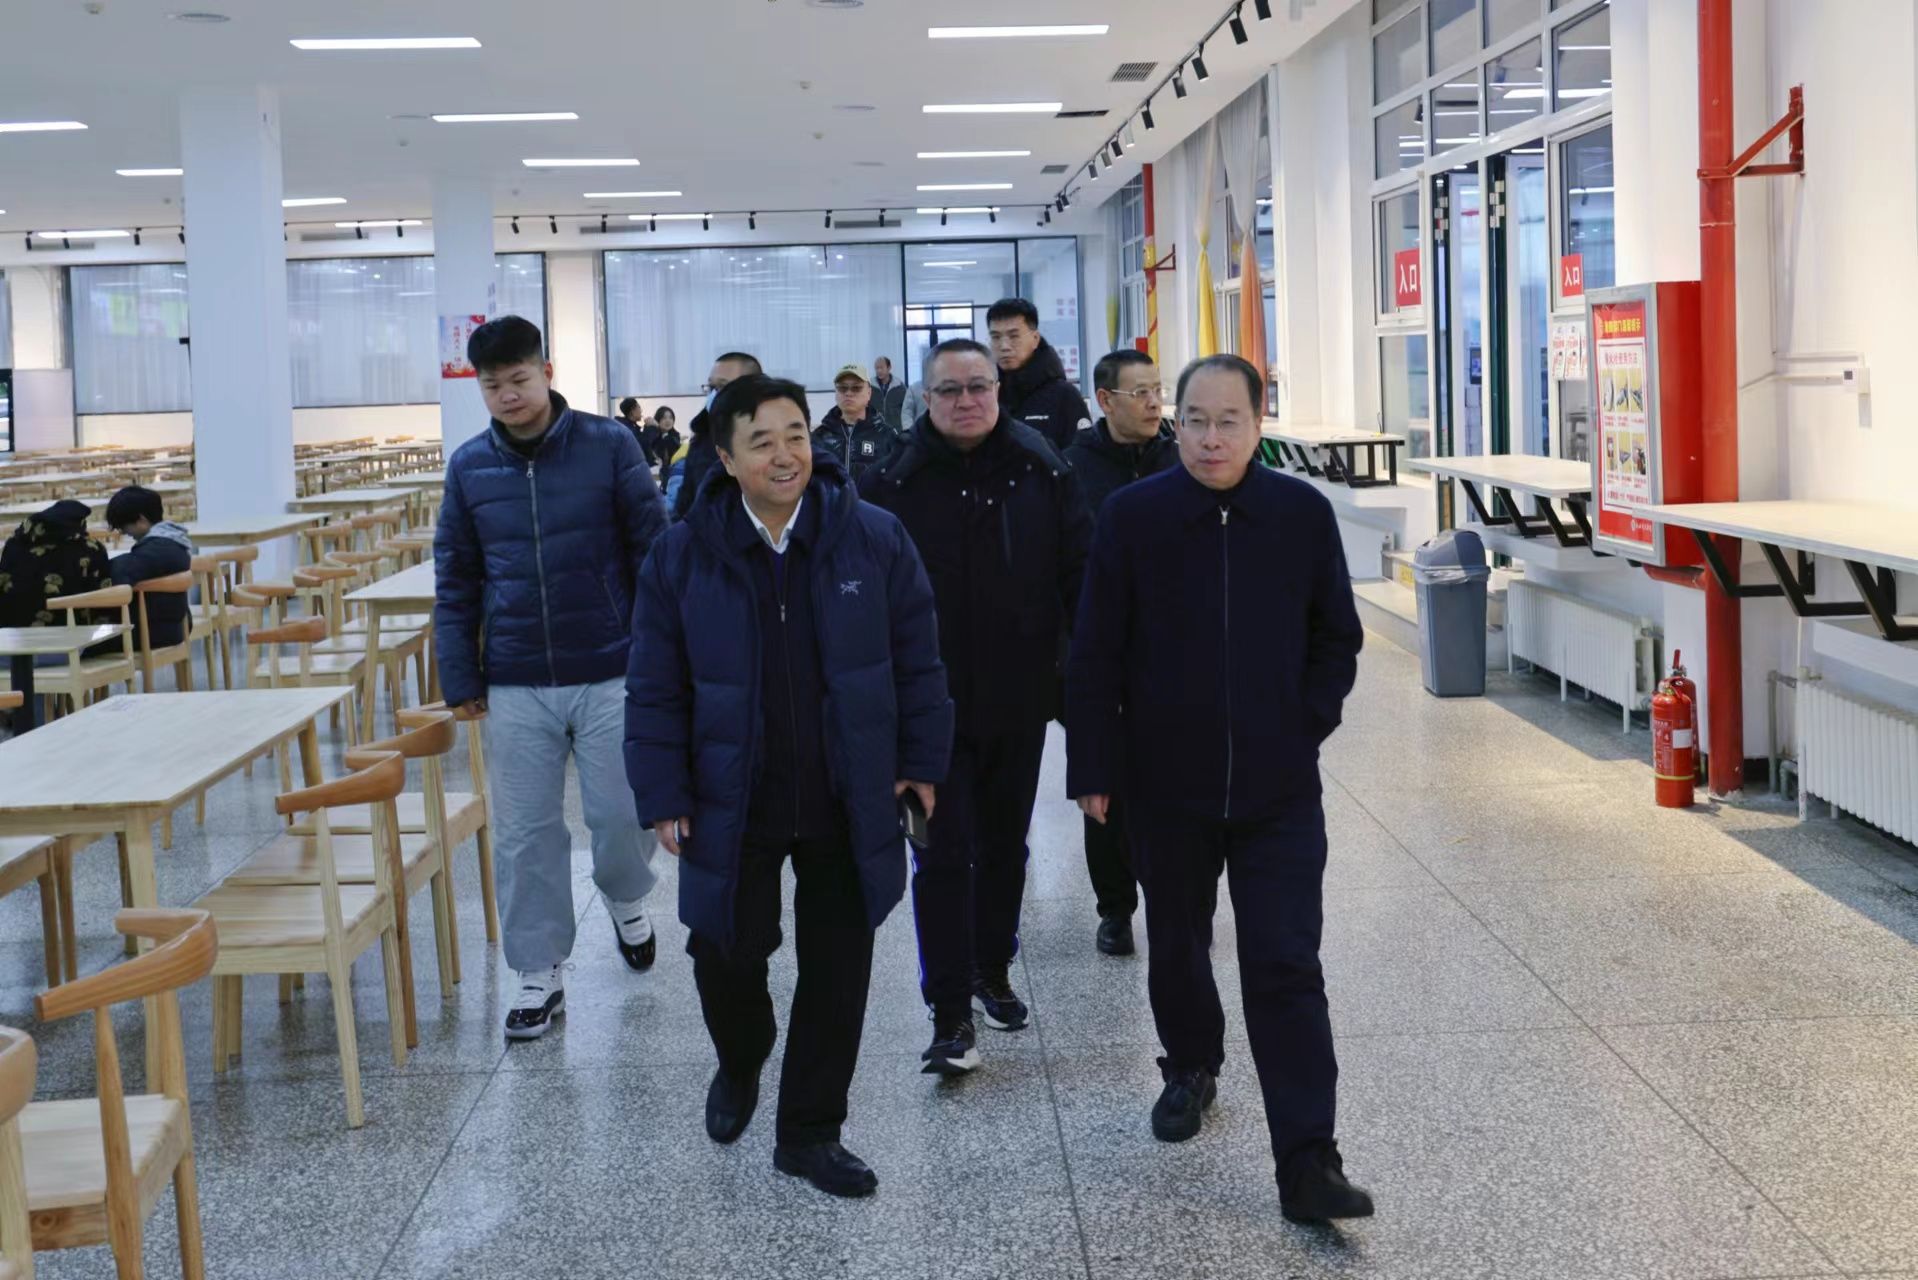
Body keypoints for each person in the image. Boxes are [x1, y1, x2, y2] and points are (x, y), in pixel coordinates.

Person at [626, 374, 952, 1199]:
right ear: (725, 457)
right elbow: (654, 686)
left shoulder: (871, 537)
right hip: (733, 792)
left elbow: (918, 658)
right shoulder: (682, 553)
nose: (785, 455)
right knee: (723, 950)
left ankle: (810, 1131)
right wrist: (664, 791)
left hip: (849, 789)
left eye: (796, 435)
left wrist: (921, 760)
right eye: (762, 441)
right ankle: (742, 1057)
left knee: (839, 966)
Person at [1065, 354, 1371, 1225]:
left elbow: (1337, 637)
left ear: (1258, 423)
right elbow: (1095, 650)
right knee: (1176, 942)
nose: (1209, 438)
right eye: (1194, 420)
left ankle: (1308, 1159)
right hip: (1166, 783)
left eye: (1228, 421)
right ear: (1176, 421)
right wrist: (1095, 766)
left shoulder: (1301, 514)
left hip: (1279, 789)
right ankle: (1191, 1066)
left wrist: (1304, 724)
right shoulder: (1134, 517)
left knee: (1286, 963)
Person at [433, 314, 668, 1042]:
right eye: (492, 385)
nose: (508, 395)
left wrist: (663, 654)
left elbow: (652, 550)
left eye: (519, 379)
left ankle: (626, 896)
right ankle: (538, 971)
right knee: (525, 833)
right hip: (516, 677)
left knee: (622, 812)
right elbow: (456, 575)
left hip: (611, 664)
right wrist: (458, 671)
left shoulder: (609, 444)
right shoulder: (469, 466)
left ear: (548, 371)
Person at [861, 337, 1091, 1076]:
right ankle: (949, 1011)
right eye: (949, 390)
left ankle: (993, 968)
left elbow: (1079, 579)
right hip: (926, 710)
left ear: (999, 391)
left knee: (1003, 846)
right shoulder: (889, 483)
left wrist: (1077, 680)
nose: (966, 401)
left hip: (1019, 699)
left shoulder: (1042, 468)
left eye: (979, 387)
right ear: (924, 400)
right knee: (940, 854)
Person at [1060, 351, 1178, 957]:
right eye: (1140, 393)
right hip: (1100, 655)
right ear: (1105, 401)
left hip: (1173, 656)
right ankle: (1115, 908)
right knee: (1103, 787)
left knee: (1175, 786)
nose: (1154, 402)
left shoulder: (1182, 459)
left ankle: (1177, 899)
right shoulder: (1071, 471)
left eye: (1158, 389)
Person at [988, 297, 1092, 452]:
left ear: (1035, 339)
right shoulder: (986, 394)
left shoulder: (1064, 396)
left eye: (1014, 336)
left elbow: (1081, 456)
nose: (1004, 346)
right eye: (996, 337)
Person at [104, 485, 196, 651]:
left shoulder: (157, 549)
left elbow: (120, 574)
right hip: (174, 625)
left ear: (141, 520)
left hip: (151, 631)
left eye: (124, 526)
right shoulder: (174, 542)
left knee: (83, 643)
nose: (124, 532)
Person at [672, 352, 761, 521]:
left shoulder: (770, 440)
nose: (713, 395)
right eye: (711, 387)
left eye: (722, 387)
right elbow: (685, 505)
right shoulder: (701, 440)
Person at [0, 500, 109, 629]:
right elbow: (103, 598)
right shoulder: (90, 548)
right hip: (71, 633)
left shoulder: (14, 545)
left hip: (13, 632)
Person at [814, 363, 903, 483]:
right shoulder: (820, 436)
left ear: (869, 393)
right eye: (842, 388)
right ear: (836, 393)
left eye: (856, 388)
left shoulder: (887, 436)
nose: (848, 393)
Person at [871, 355, 907, 430]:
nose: (879, 371)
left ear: (889, 367)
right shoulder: (870, 386)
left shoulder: (899, 386)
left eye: (881, 368)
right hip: (875, 429)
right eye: (877, 368)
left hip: (895, 429)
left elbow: (906, 409)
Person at [643, 405, 681, 475]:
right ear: (658, 419)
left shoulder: (675, 435)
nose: (668, 420)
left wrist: (658, 426)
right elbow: (651, 446)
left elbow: (671, 445)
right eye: (664, 418)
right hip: (652, 471)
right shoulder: (651, 432)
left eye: (671, 418)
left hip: (671, 472)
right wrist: (656, 428)